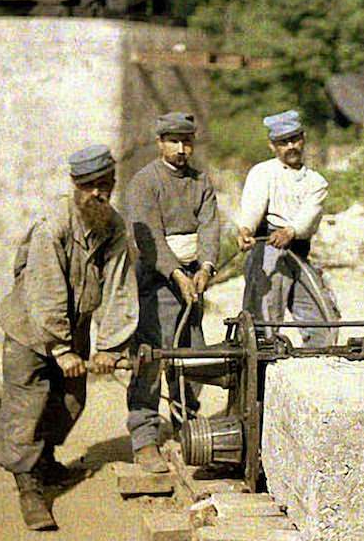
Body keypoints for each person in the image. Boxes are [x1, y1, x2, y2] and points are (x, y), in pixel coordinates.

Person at [0, 145, 138, 531]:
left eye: (105, 185)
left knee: (72, 399)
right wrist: (59, 349)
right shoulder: (52, 225)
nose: (99, 193)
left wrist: (109, 345)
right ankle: (30, 488)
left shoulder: (113, 227)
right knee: (28, 405)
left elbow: (119, 289)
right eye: (90, 186)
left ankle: (45, 462)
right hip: (31, 325)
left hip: (72, 326)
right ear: (75, 185)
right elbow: (45, 291)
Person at [124, 112, 220, 473]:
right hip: (155, 278)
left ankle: (186, 425)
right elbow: (148, 236)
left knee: (191, 354)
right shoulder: (145, 182)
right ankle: (145, 438)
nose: (182, 149)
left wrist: (207, 268)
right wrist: (175, 273)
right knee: (150, 356)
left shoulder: (201, 181)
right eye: (174, 142)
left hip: (192, 280)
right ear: (160, 142)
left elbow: (210, 227)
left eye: (187, 142)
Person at [238, 110, 339, 345]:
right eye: (283, 142)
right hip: (267, 251)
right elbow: (253, 206)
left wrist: (290, 232)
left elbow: (309, 216)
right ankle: (260, 373)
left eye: (295, 139)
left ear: (303, 139)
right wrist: (246, 230)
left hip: (298, 252)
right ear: (272, 146)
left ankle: (315, 365)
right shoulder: (262, 172)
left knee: (324, 322)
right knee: (263, 323)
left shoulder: (316, 181)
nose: (291, 146)